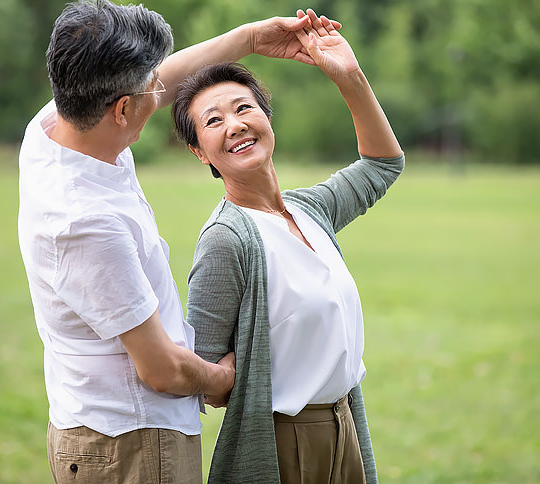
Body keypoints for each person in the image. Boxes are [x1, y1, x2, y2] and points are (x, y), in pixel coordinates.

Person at [17, 1, 340, 482]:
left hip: (117, 432)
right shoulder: (84, 222)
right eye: (151, 88)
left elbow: (160, 74)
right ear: (122, 109)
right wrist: (228, 377)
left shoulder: (58, 126)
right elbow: (162, 370)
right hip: (134, 444)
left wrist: (251, 39)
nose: (161, 90)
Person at [172, 9, 405, 484]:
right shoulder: (226, 240)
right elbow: (205, 377)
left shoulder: (309, 210)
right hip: (285, 446)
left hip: (346, 426)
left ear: (265, 117)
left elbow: (383, 165)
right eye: (212, 121)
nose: (234, 125)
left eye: (243, 108)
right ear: (199, 151)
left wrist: (349, 76)